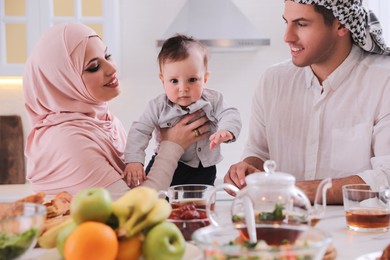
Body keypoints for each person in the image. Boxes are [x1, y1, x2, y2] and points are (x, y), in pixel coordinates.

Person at [224, 0, 390, 204]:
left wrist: (294, 192)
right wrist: (247, 168)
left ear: (341, 24)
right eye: (287, 22)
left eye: (301, 24)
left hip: (361, 231)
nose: (287, 37)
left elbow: (386, 177)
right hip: (282, 229)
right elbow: (258, 152)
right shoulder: (273, 80)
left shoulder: (384, 81)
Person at [23, 23, 209, 200]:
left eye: (107, 55)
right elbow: (134, 211)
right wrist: (172, 145)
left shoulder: (104, 121)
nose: (112, 68)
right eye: (93, 67)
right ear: (63, 82)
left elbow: (136, 190)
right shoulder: (68, 141)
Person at [124, 34, 241, 187]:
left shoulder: (213, 100)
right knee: (158, 202)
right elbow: (139, 131)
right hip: (167, 166)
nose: (183, 88)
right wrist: (134, 160)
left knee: (199, 206)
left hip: (203, 168)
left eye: (192, 80)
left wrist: (227, 130)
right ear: (162, 80)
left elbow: (230, 113)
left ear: (204, 79)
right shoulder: (158, 106)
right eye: (174, 81)